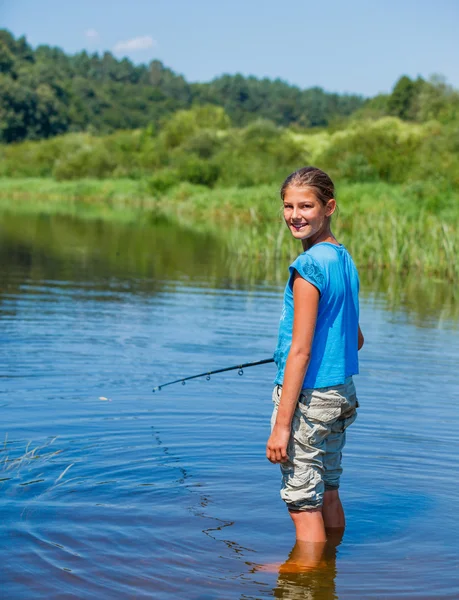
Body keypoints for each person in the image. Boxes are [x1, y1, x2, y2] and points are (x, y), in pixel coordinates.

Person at [267, 166, 364, 544]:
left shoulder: (307, 267)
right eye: (288, 206)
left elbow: (301, 352)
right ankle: (330, 566)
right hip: (340, 395)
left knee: (302, 503)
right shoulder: (342, 257)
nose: (295, 215)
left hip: (310, 400)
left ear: (329, 207)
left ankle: (306, 580)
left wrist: (281, 426)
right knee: (328, 490)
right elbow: (355, 338)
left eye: (306, 205)